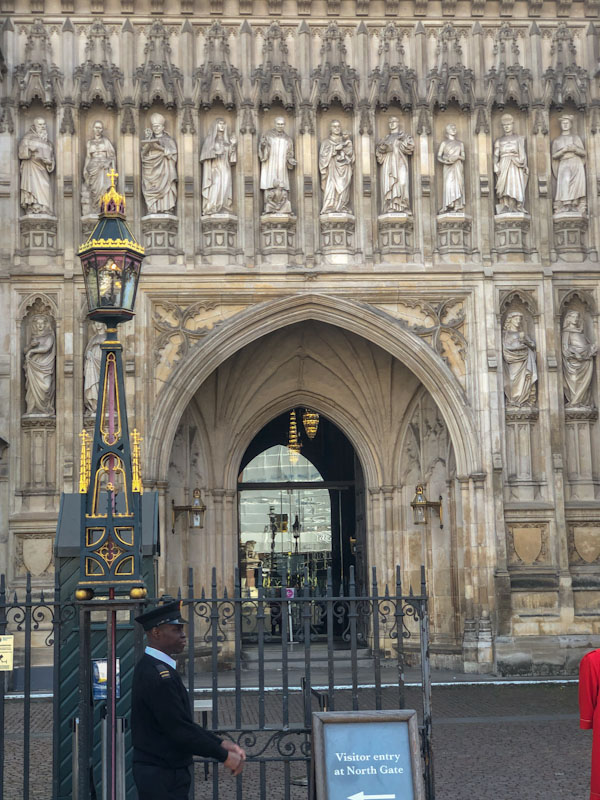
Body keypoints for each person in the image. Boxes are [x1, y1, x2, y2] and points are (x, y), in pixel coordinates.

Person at [132, 600, 246, 800]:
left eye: (182, 629)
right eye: (176, 629)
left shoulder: (158, 668)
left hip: (165, 771)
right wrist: (224, 756)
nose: (183, 634)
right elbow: (178, 729)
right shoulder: (158, 674)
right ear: (156, 633)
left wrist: (221, 744)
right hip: (161, 774)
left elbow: (183, 724)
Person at [375, 116, 414, 214]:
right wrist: (382, 148)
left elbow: (410, 147)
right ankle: (391, 206)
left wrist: (402, 142)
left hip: (400, 162)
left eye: (394, 121)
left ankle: (403, 206)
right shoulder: (386, 139)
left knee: (402, 183)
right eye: (390, 122)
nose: (392, 124)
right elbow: (379, 153)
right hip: (388, 163)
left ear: (398, 123)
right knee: (390, 184)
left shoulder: (403, 136)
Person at [140, 113, 178, 214]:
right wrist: (148, 144)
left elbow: (172, 155)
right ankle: (153, 208)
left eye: (158, 126)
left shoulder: (168, 140)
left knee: (165, 186)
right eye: (154, 126)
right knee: (151, 186)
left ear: (163, 127)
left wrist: (159, 148)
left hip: (164, 169)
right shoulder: (149, 139)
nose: (156, 128)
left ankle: (166, 208)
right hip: (150, 169)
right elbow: (143, 155)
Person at [258, 117, 296, 214]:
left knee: (282, 182)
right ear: (275, 124)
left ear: (284, 125)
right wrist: (262, 146)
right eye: (278, 124)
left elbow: (289, 153)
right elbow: (262, 149)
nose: (280, 126)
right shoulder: (268, 135)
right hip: (270, 163)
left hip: (282, 163)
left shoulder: (288, 139)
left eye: (282, 124)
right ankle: (268, 206)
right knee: (269, 181)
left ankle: (282, 205)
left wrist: (290, 160)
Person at [200, 118, 237, 215]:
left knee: (225, 186)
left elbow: (232, 159)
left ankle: (223, 206)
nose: (222, 126)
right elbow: (205, 155)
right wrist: (216, 153)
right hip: (215, 167)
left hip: (225, 167)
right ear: (215, 126)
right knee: (216, 185)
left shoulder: (227, 141)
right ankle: (212, 207)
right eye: (220, 124)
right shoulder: (210, 140)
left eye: (223, 124)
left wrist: (233, 145)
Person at [18, 118, 55, 215]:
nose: (42, 127)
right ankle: (33, 206)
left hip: (42, 169)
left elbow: (51, 159)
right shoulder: (28, 137)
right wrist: (29, 149)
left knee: (45, 186)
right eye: (40, 125)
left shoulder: (48, 143)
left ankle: (45, 208)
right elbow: (21, 153)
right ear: (34, 126)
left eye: (44, 125)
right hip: (31, 167)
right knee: (32, 187)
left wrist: (49, 163)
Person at [493, 113, 528, 214]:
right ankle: (505, 205)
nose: (506, 127)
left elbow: (522, 154)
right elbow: (496, 155)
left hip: (515, 164)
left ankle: (516, 206)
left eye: (508, 124)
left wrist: (523, 164)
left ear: (512, 125)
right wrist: (495, 165)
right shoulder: (499, 141)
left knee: (514, 184)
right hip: (503, 163)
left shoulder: (518, 138)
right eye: (504, 125)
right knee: (504, 186)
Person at [552, 114, 587, 214]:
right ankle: (566, 204)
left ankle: (575, 204)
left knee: (576, 185)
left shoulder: (575, 138)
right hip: (564, 163)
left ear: (570, 124)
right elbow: (554, 155)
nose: (565, 125)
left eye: (567, 123)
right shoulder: (557, 140)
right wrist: (563, 151)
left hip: (576, 163)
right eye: (563, 123)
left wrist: (575, 149)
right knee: (565, 180)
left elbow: (584, 153)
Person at [562, 310, 597, 408]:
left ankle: (583, 402)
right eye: (573, 317)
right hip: (574, 363)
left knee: (585, 384)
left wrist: (591, 348)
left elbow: (586, 345)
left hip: (585, 361)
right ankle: (574, 402)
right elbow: (565, 347)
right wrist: (576, 354)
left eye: (577, 317)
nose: (576, 319)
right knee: (575, 380)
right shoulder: (567, 332)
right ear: (568, 319)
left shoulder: (580, 332)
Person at [502, 311, 537, 407]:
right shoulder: (506, 334)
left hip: (524, 359)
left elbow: (533, 345)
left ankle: (522, 400)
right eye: (516, 319)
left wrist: (525, 342)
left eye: (519, 319)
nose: (518, 321)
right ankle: (513, 400)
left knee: (524, 378)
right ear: (510, 320)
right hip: (513, 359)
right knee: (513, 379)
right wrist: (518, 347)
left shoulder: (522, 334)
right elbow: (505, 347)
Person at [319, 120, 354, 215]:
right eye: (334, 126)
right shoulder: (326, 142)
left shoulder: (345, 141)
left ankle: (341, 206)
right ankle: (330, 206)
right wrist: (334, 149)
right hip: (332, 168)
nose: (337, 128)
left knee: (344, 187)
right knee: (331, 186)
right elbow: (322, 157)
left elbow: (351, 155)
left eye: (338, 126)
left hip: (344, 168)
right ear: (330, 129)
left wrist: (347, 149)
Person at [81, 121, 116, 216]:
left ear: (102, 130)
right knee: (94, 190)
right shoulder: (89, 143)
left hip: (103, 168)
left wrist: (107, 163)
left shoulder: (106, 142)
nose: (98, 130)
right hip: (93, 168)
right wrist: (85, 170)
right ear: (93, 129)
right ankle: (95, 208)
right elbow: (88, 157)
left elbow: (112, 156)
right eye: (96, 127)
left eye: (100, 128)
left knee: (103, 188)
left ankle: (103, 207)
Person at [24, 313, 56, 415]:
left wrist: (32, 351)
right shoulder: (34, 338)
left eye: (42, 323)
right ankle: (33, 409)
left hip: (45, 366)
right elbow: (25, 351)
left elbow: (46, 348)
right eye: (38, 323)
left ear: (45, 324)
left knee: (46, 387)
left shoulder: (49, 336)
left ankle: (46, 408)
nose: (40, 325)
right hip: (33, 366)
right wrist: (30, 346)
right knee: (32, 389)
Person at [579, 648, 600, 800]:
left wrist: (587, 719)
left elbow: (587, 693)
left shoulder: (593, 659)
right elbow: (587, 691)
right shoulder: (593, 660)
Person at [437, 123, 465, 213]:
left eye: (454, 128)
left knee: (457, 184)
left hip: (457, 166)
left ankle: (457, 205)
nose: (453, 129)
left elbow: (463, 157)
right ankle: (448, 205)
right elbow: (439, 156)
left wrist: (457, 157)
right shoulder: (444, 143)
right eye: (451, 128)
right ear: (447, 131)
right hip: (448, 165)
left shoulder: (460, 144)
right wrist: (445, 161)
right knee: (448, 184)